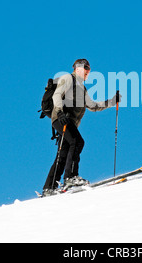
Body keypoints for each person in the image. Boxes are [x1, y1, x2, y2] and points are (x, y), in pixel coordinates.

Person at [42, 59, 121, 197]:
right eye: (86, 68)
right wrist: (60, 112)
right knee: (77, 142)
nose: (88, 72)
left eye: (89, 70)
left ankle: (49, 187)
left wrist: (112, 102)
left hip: (67, 122)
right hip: (61, 119)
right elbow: (57, 95)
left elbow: (94, 106)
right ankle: (71, 177)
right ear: (78, 68)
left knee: (63, 154)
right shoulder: (68, 78)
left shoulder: (82, 89)